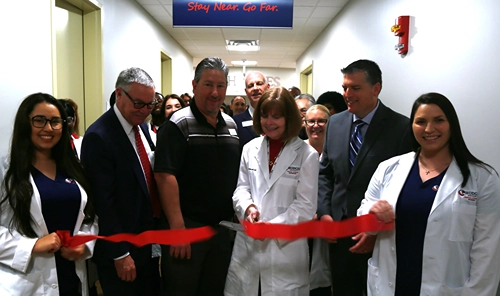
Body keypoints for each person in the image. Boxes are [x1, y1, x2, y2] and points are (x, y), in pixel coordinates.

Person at [358, 92, 500, 295]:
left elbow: (487, 251)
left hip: (448, 287)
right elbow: (364, 215)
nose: (429, 129)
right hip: (391, 284)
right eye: (421, 121)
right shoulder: (389, 168)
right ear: (412, 126)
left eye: (439, 120)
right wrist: (373, 211)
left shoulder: (482, 178)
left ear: (452, 124)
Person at [317, 59, 412, 296]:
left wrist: (375, 231)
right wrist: (325, 213)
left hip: (379, 238)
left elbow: (403, 186)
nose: (347, 94)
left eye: (355, 88)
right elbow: (325, 174)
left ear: (376, 88)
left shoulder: (400, 128)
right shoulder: (335, 123)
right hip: (338, 233)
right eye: (345, 88)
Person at [154, 57, 240, 296]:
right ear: (194, 86)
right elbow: (164, 175)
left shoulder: (231, 125)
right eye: (208, 85)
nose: (215, 92)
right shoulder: (177, 124)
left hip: (222, 231)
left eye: (221, 86)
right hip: (188, 228)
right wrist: (178, 228)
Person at [0, 93, 97, 295]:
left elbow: (90, 216)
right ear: (25, 124)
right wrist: (32, 245)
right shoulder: (6, 171)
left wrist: (85, 243)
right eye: (39, 120)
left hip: (72, 275)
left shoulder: (73, 167)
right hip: (26, 281)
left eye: (55, 122)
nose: (48, 128)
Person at [225, 87, 318, 296]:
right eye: (265, 115)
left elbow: (306, 206)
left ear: (289, 118)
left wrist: (272, 227)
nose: (269, 122)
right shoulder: (250, 148)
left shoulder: (306, 154)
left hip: (286, 249)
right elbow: (241, 188)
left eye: (277, 116)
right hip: (249, 245)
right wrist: (248, 208)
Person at [81, 67, 161, 296]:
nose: (145, 111)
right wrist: (120, 253)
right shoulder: (99, 136)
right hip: (123, 250)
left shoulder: (141, 127)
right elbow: (103, 202)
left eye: (150, 104)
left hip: (147, 243)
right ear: (119, 94)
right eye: (138, 104)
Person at [304, 104, 332, 296]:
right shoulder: (296, 151)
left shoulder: (337, 151)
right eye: (311, 121)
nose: (316, 125)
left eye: (321, 120)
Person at [233, 71, 270, 150]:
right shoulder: (236, 122)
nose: (255, 88)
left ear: (268, 87)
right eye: (250, 86)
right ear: (246, 92)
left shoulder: (279, 119)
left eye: (259, 83)